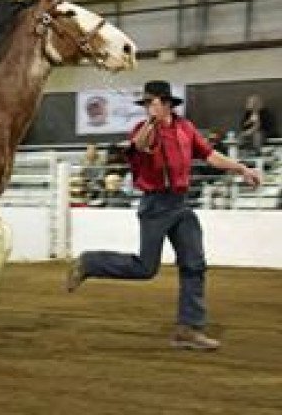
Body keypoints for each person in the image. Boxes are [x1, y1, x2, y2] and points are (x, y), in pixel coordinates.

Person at [65, 80, 262, 351]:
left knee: (194, 263)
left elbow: (209, 155)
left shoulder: (185, 128)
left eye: (152, 102)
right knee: (145, 268)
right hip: (156, 205)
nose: (148, 107)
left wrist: (242, 169)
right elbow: (141, 145)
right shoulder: (143, 130)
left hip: (180, 204)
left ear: (167, 103)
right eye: (146, 103)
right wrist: (152, 122)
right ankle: (90, 262)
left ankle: (189, 329)